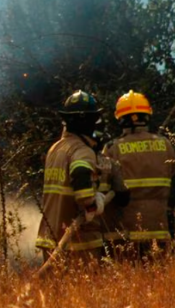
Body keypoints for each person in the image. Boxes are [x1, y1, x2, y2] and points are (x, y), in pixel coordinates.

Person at [35, 90, 128, 262]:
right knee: (84, 288)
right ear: (89, 122)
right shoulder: (82, 150)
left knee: (53, 288)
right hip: (78, 241)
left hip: (50, 236)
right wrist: (93, 202)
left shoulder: (55, 148)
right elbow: (81, 180)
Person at [102, 90, 175, 261]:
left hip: (125, 233)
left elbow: (104, 185)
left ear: (120, 119)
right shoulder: (165, 144)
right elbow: (171, 172)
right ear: (147, 116)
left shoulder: (112, 148)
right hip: (159, 230)